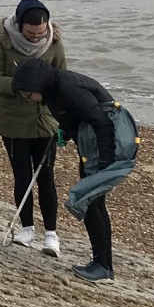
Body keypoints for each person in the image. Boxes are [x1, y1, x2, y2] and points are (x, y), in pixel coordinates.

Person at [12, 58, 123, 283]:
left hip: (101, 152)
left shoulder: (68, 89)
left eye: (27, 94)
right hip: (90, 149)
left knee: (91, 203)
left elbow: (101, 122)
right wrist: (64, 131)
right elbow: (75, 117)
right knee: (92, 203)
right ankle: (102, 264)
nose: (28, 99)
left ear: (36, 85)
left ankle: (103, 266)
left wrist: (104, 164)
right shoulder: (54, 90)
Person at [0, 0, 66, 256]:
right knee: (22, 174)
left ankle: (52, 236)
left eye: (40, 33)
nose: (35, 38)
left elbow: (62, 79)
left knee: (46, 176)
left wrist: (61, 114)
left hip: (44, 120)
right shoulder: (2, 41)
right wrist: (19, 86)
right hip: (12, 120)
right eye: (30, 34)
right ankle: (27, 229)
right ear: (20, 25)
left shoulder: (54, 42)